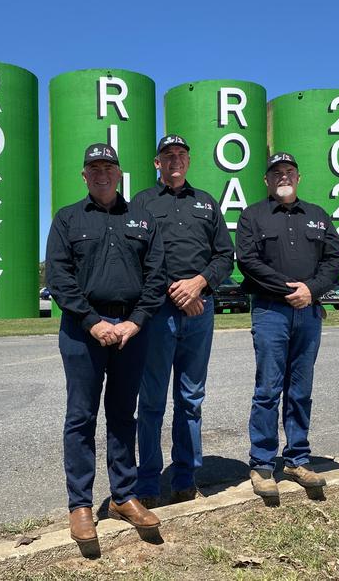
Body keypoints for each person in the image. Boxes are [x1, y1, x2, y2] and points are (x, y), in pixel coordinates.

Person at [46, 143, 167, 544]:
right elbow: (59, 278)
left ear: (119, 173)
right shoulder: (67, 219)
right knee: (80, 416)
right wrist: (93, 322)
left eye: (108, 167)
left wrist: (136, 322)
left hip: (132, 329)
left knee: (122, 415)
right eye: (93, 168)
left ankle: (123, 496)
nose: (101, 173)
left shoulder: (143, 219)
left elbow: (156, 276)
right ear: (84, 175)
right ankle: (80, 505)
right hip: (83, 329)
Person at [235, 152, 339, 500]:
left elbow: (334, 257)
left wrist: (312, 290)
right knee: (267, 389)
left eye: (289, 172)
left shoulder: (317, 216)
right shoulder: (253, 215)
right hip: (271, 312)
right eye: (276, 173)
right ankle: (263, 464)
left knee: (301, 388)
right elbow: (248, 261)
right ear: (267, 180)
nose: (283, 177)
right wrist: (290, 290)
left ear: (298, 178)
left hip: (308, 312)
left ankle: (297, 458)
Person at [133, 134, 234, 507]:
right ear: (156, 163)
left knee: (190, 399)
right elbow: (138, 257)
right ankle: (146, 484)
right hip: (159, 314)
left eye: (181, 154)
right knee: (152, 402)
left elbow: (225, 255)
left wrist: (199, 284)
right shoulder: (141, 203)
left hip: (200, 313)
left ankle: (185, 478)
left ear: (188, 161)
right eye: (167, 155)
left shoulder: (206, 203)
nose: (174, 160)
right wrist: (175, 292)